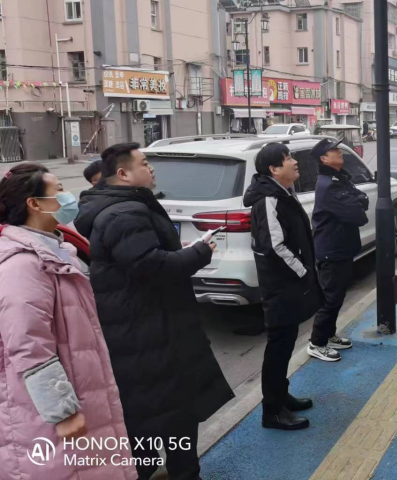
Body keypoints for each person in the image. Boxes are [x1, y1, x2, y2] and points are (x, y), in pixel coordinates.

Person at [75, 143, 233, 480]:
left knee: (157, 415)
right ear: (123, 173)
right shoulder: (124, 213)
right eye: (145, 163)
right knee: (165, 417)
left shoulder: (124, 207)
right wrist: (199, 253)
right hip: (149, 330)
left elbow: (143, 258)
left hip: (148, 326)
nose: (152, 169)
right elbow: (151, 266)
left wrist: (180, 250)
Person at [0, 164, 136, 480]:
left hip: (82, 392)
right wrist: (62, 411)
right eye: (59, 189)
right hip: (48, 414)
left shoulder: (57, 250)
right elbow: (29, 344)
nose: (68, 196)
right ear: (34, 204)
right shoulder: (23, 265)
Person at [243, 143, 322, 430]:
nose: (295, 162)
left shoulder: (282, 192)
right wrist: (303, 271)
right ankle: (273, 411)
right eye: (288, 158)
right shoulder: (268, 199)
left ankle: (281, 395)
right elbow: (274, 246)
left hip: (287, 285)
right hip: (280, 287)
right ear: (274, 169)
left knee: (285, 344)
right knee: (278, 348)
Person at [308, 138, 369, 362]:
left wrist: (358, 200)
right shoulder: (330, 184)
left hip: (340, 246)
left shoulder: (339, 178)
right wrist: (358, 202)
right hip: (331, 249)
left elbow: (362, 200)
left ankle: (328, 334)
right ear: (324, 159)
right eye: (334, 150)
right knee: (331, 298)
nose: (339, 151)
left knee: (338, 295)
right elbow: (357, 214)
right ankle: (317, 342)